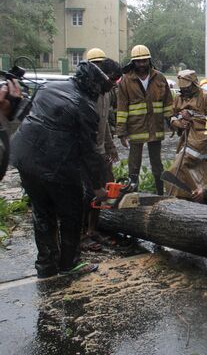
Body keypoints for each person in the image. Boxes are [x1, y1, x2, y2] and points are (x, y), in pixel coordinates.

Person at [10, 61, 119, 278]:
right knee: (71, 214)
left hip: (24, 158)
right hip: (55, 165)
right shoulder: (84, 106)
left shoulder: (48, 87)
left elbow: (24, 115)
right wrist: (98, 187)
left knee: (42, 212)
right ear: (92, 86)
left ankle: (46, 265)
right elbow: (89, 152)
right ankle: (70, 263)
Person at [116, 44, 173, 195]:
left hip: (155, 126)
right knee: (134, 164)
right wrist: (121, 132)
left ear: (149, 60)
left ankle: (160, 193)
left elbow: (168, 102)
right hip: (136, 128)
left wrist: (171, 121)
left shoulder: (159, 77)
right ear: (133, 62)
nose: (141, 64)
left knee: (157, 164)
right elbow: (121, 108)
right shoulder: (126, 81)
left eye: (144, 61)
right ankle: (132, 193)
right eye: (138, 61)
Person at [81, 49, 121, 249]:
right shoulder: (87, 92)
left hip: (99, 149)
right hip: (86, 151)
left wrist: (109, 146)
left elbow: (104, 123)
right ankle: (82, 235)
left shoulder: (106, 92)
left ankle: (93, 229)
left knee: (105, 188)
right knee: (88, 192)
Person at [167, 69, 207, 199]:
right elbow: (172, 117)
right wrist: (178, 124)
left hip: (201, 138)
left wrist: (192, 118)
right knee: (197, 168)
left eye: (187, 88)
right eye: (182, 89)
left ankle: (186, 194)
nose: (185, 91)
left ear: (194, 84)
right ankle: (201, 194)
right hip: (185, 137)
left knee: (178, 166)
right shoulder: (179, 98)